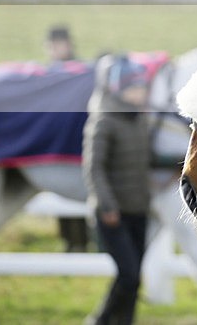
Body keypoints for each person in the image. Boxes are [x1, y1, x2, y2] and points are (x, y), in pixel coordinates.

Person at [82, 54, 153, 325]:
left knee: (133, 279)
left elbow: (144, 160)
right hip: (113, 214)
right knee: (129, 275)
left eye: (142, 86)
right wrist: (107, 207)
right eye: (135, 87)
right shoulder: (103, 121)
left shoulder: (139, 119)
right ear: (119, 88)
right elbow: (94, 169)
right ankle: (100, 320)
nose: (141, 92)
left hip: (139, 211)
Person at [45, 25, 92, 252]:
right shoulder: (50, 73)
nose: (56, 49)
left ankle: (82, 242)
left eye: (59, 44)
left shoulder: (78, 71)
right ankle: (70, 242)